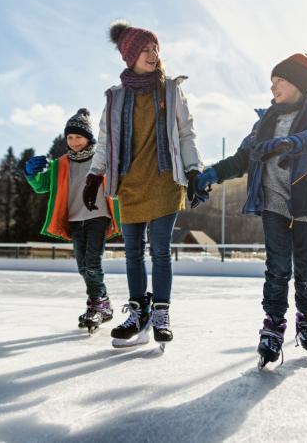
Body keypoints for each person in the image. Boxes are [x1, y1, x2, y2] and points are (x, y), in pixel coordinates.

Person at [194, 51, 307, 366]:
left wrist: (290, 144)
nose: (273, 87)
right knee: (277, 268)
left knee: (306, 269)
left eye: (279, 80)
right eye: (272, 81)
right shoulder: (264, 123)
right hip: (274, 204)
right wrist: (211, 174)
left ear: (298, 83)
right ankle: (273, 325)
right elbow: (242, 158)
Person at [84, 21, 203, 350]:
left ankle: (161, 312)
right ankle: (139, 313)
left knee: (160, 250)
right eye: (145, 50)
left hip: (165, 180)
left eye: (155, 49)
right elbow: (105, 140)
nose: (153, 54)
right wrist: (94, 175)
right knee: (133, 253)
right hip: (130, 183)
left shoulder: (170, 90)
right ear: (130, 55)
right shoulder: (115, 97)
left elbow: (186, 133)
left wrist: (194, 170)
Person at [24, 108, 122, 333]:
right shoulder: (60, 164)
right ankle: (100, 301)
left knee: (92, 263)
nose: (74, 141)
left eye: (78, 136)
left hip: (99, 216)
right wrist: (31, 174)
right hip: (75, 219)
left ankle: (98, 302)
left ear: (88, 138)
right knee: (82, 266)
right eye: (70, 137)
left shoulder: (102, 158)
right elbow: (42, 185)